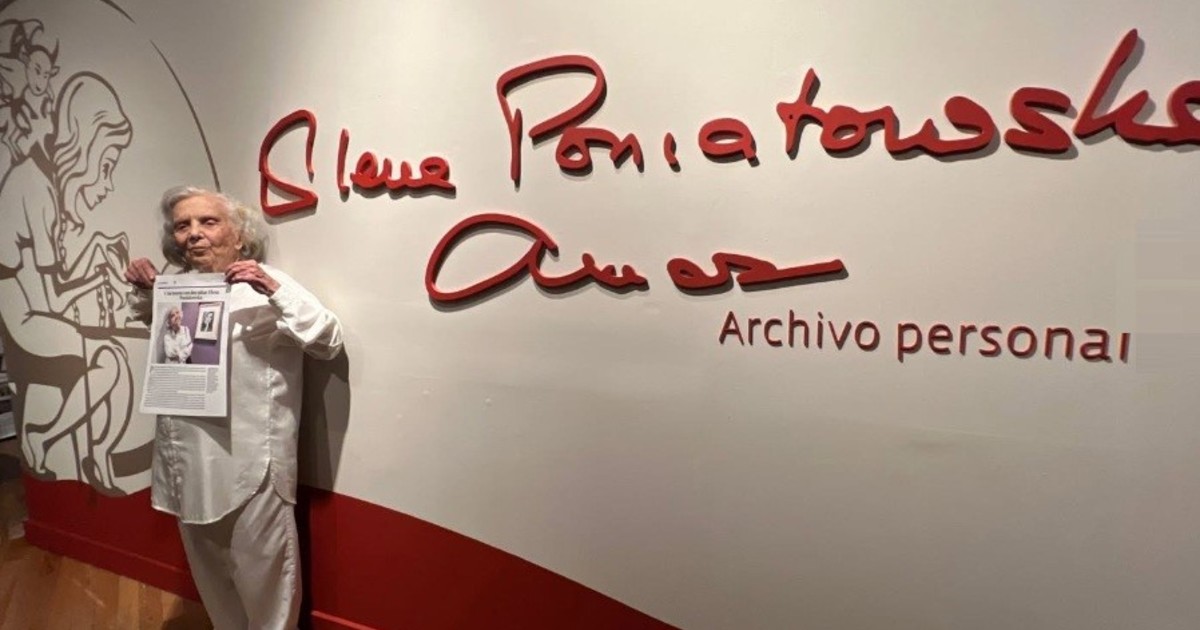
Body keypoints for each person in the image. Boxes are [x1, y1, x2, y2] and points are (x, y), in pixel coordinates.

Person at [124, 186, 343, 629]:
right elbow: (160, 331)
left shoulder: (266, 284)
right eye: (182, 225)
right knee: (213, 579)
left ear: (240, 235)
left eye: (208, 221)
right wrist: (148, 290)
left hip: (252, 464)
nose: (193, 233)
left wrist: (273, 290)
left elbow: (327, 339)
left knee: (266, 582)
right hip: (187, 459)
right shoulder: (177, 288)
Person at [0, 72, 133, 490]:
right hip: (24, 320)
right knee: (111, 360)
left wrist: (95, 250)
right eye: (105, 166)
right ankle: (43, 438)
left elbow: (55, 286)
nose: (106, 183)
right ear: (86, 148)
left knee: (113, 357)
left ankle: (98, 460)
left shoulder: (40, 179)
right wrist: (98, 274)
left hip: (34, 310)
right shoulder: (36, 188)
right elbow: (53, 301)